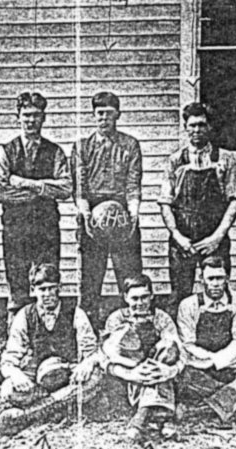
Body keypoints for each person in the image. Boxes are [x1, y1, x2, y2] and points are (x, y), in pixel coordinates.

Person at [0, 263, 101, 436]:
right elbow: (8, 360)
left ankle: (28, 415)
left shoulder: (75, 313)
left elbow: (93, 352)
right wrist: (16, 375)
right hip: (37, 377)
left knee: (94, 378)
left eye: (52, 289)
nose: (48, 294)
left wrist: (86, 363)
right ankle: (60, 407)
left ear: (60, 288)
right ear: (33, 290)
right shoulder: (24, 315)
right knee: (8, 390)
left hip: (68, 374)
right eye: (42, 289)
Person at [159, 102, 236, 318]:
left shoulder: (224, 159)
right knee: (180, 293)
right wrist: (177, 236)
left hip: (214, 239)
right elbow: (165, 203)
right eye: (192, 125)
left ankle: (220, 336)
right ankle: (180, 342)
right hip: (183, 240)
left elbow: (235, 200)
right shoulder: (175, 161)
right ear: (185, 128)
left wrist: (217, 237)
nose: (197, 130)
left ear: (210, 127)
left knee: (217, 291)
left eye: (202, 125)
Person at [0, 92, 72, 325]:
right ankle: (16, 337)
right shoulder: (6, 151)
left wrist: (28, 184)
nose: (31, 121)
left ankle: (48, 334)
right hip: (15, 228)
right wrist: (46, 189)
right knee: (17, 284)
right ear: (17, 117)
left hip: (46, 228)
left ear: (44, 118)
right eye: (26, 115)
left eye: (36, 116)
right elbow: (2, 192)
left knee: (47, 281)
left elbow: (66, 188)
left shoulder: (55, 151)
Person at [71, 91, 143, 330]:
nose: (104, 118)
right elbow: (79, 188)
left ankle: (135, 328)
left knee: (130, 275)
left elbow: (133, 184)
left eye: (109, 114)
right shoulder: (82, 147)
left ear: (118, 115)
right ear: (93, 116)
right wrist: (86, 215)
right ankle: (87, 333)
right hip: (92, 215)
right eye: (99, 114)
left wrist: (133, 214)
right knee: (89, 280)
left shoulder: (130, 145)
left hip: (122, 214)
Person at [176, 256, 236, 423]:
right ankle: (233, 401)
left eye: (220, 278)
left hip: (231, 365)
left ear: (227, 278)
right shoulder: (188, 305)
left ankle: (203, 410)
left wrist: (219, 361)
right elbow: (187, 345)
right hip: (200, 367)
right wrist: (209, 361)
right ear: (202, 279)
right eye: (211, 278)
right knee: (183, 377)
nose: (215, 284)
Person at [101, 274, 185, 443]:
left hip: (158, 371)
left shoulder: (161, 318)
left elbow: (177, 350)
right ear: (126, 298)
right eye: (134, 298)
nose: (140, 303)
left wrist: (168, 371)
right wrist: (132, 372)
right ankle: (166, 420)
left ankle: (138, 421)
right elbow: (106, 356)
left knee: (167, 349)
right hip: (128, 375)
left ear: (152, 296)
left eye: (144, 297)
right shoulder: (117, 318)